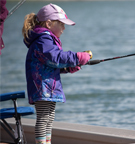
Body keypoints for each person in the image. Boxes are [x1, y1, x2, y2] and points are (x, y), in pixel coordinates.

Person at [22, 3, 91, 144]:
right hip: (42, 87)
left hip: (48, 87)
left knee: (49, 116)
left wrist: (68, 68)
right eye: (62, 24)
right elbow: (55, 57)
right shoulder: (43, 39)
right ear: (48, 23)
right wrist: (77, 58)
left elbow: (50, 64)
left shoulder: (46, 39)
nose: (64, 29)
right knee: (43, 117)